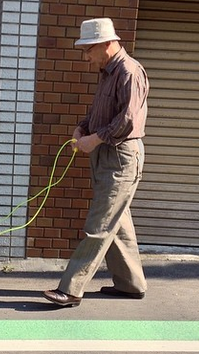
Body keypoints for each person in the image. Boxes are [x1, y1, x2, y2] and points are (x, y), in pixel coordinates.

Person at [43, 18, 150, 307]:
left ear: (107, 44)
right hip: (107, 154)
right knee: (118, 222)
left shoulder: (129, 71)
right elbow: (100, 112)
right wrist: (83, 128)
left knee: (100, 224)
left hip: (120, 155)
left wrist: (96, 138)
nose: (85, 56)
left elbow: (127, 120)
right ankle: (132, 284)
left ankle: (71, 289)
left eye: (88, 49)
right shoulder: (107, 71)